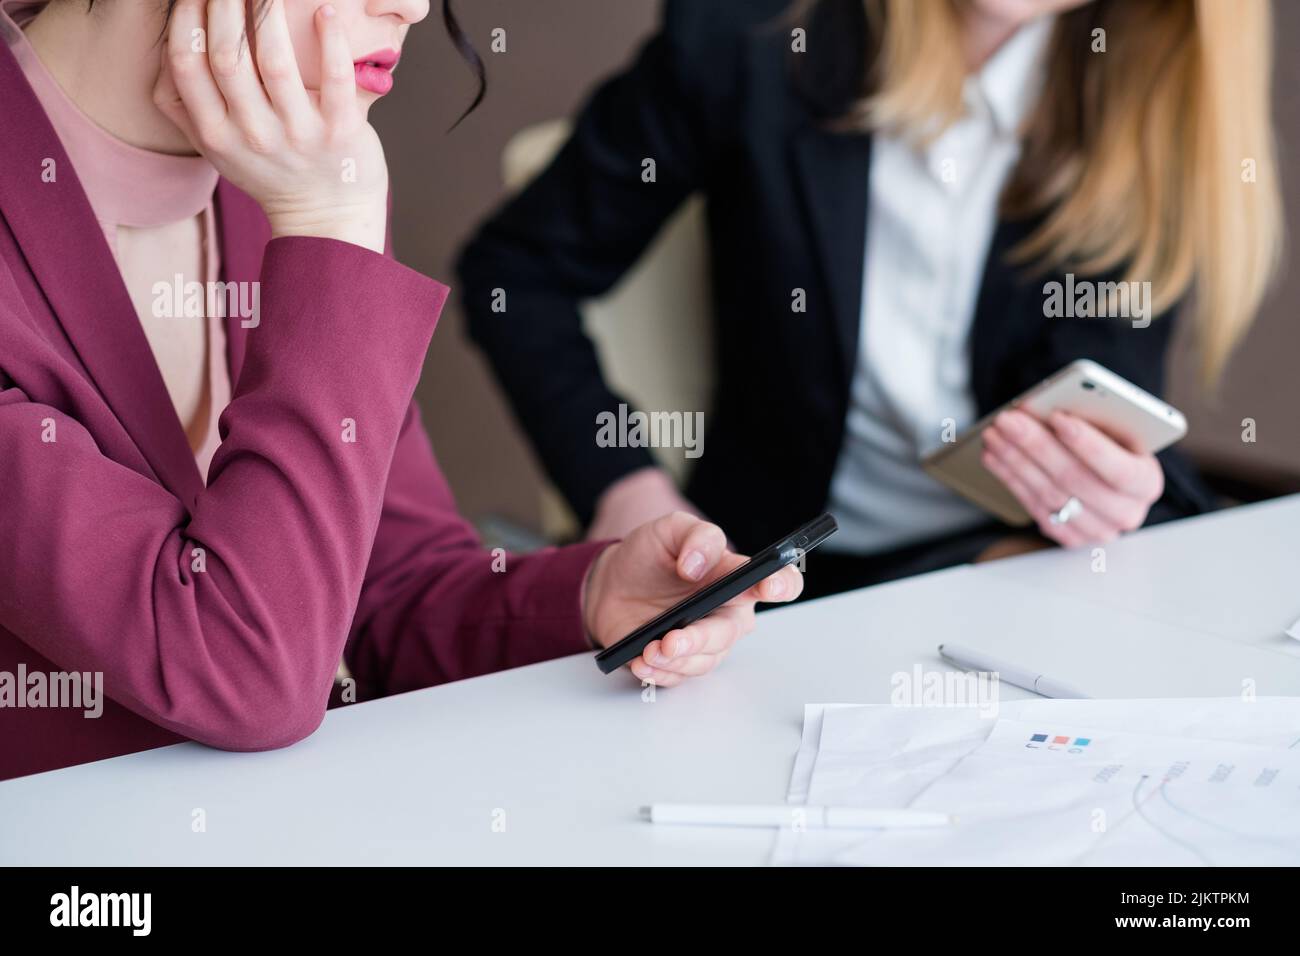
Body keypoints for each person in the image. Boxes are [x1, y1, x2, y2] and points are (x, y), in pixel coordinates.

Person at [0, 0, 804, 781]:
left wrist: (591, 595)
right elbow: (248, 676)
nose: (414, 8)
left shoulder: (295, 163)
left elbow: (383, 589)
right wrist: (327, 223)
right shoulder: (318, 195)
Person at [458, 0, 1282, 598]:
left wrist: (1113, 491)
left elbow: (1103, 389)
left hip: (1012, 565)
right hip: (782, 582)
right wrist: (622, 487)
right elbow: (514, 274)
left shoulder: (1134, 113)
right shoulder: (752, 34)